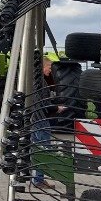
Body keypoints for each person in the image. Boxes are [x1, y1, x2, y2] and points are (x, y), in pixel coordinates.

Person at [31, 58, 65, 190]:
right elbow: (43, 104)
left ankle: (34, 177)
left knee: (36, 148)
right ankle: (39, 180)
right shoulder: (42, 84)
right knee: (44, 148)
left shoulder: (34, 82)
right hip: (41, 120)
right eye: (48, 67)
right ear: (41, 67)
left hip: (34, 119)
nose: (50, 70)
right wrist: (57, 109)